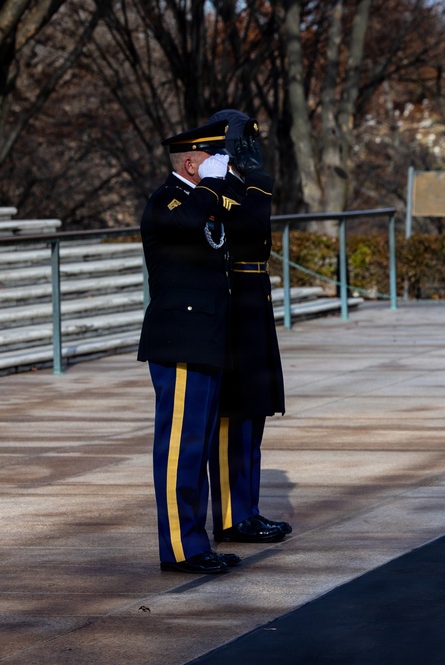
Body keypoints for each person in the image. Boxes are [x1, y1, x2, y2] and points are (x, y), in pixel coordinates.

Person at [138, 119, 242, 573]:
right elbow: (187, 221)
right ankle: (181, 548)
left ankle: (195, 543)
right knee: (180, 449)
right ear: (188, 162)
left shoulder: (205, 196)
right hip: (179, 340)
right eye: (210, 158)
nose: (218, 165)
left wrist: (237, 181)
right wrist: (211, 187)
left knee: (196, 448)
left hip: (206, 339)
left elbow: (242, 223)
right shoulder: (168, 200)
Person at [205, 109, 290, 544]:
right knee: (232, 415)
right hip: (234, 302)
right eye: (244, 142)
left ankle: (248, 509)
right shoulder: (214, 184)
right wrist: (241, 179)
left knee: (252, 412)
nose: (251, 151)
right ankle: (231, 517)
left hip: (253, 298)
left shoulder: (240, 184)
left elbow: (259, 233)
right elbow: (250, 225)